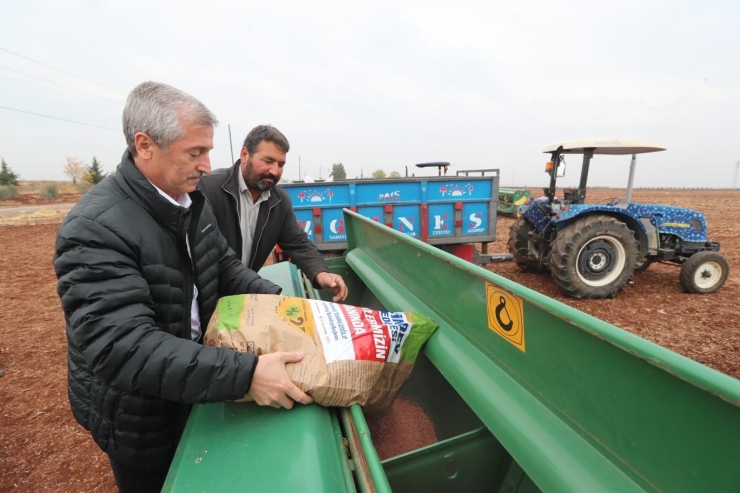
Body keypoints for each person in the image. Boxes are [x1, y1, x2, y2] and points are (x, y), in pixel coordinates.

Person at [53, 82, 312, 493]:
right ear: (145, 145)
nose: (207, 165)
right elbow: (125, 348)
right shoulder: (95, 228)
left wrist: (281, 303)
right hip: (141, 414)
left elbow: (223, 265)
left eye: (207, 151)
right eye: (195, 152)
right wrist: (246, 375)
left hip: (192, 381)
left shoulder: (188, 200)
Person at [199, 125, 349, 301]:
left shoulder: (279, 201)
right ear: (245, 154)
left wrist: (321, 273)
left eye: (281, 164)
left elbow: (298, 243)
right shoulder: (209, 190)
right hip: (206, 297)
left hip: (240, 295)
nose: (275, 171)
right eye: (268, 161)